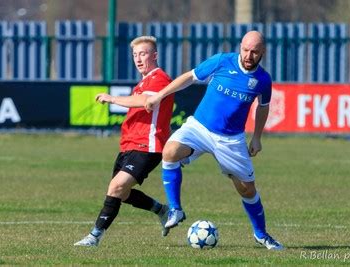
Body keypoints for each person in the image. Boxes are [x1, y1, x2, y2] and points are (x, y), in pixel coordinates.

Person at [145, 31, 283, 250]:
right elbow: (189, 77)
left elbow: (263, 107)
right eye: (245, 50)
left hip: (231, 140)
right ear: (240, 47)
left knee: (247, 190)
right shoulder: (221, 61)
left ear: (262, 52)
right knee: (169, 152)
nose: (248, 55)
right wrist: (159, 95)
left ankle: (261, 234)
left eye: (254, 52)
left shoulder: (263, 80)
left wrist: (257, 137)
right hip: (199, 127)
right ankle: (175, 209)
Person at [74, 36, 175, 247]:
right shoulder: (143, 82)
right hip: (129, 145)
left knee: (117, 187)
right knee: (122, 193)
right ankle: (162, 210)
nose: (138, 59)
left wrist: (112, 98)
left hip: (147, 146)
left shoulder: (159, 78)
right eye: (135, 55)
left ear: (154, 55)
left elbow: (144, 102)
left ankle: (94, 236)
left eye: (143, 54)